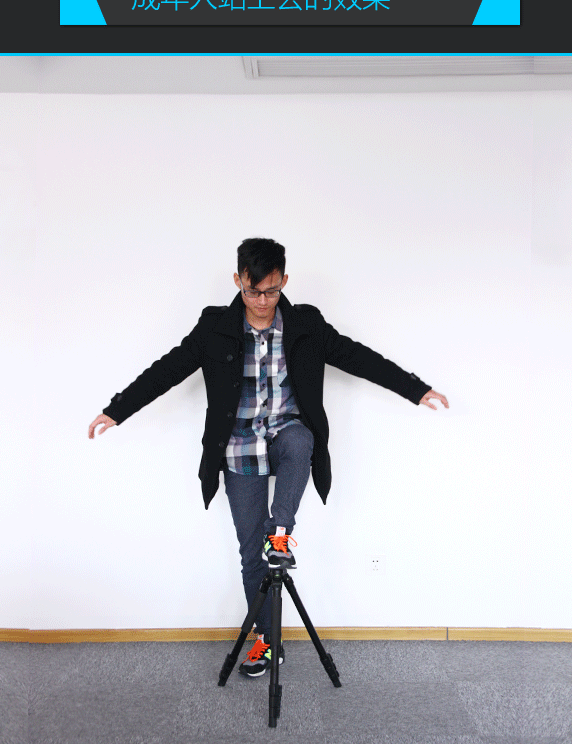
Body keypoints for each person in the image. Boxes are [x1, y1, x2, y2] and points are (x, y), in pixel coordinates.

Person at [88, 238, 448, 677]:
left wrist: (415, 389)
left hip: (285, 433)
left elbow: (358, 357)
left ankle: (281, 533)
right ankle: (266, 640)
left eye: (271, 291)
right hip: (239, 444)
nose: (261, 301)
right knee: (250, 555)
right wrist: (117, 410)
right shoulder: (214, 326)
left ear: (284, 282)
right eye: (252, 291)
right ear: (238, 281)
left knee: (300, 440)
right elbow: (168, 369)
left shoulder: (306, 324)